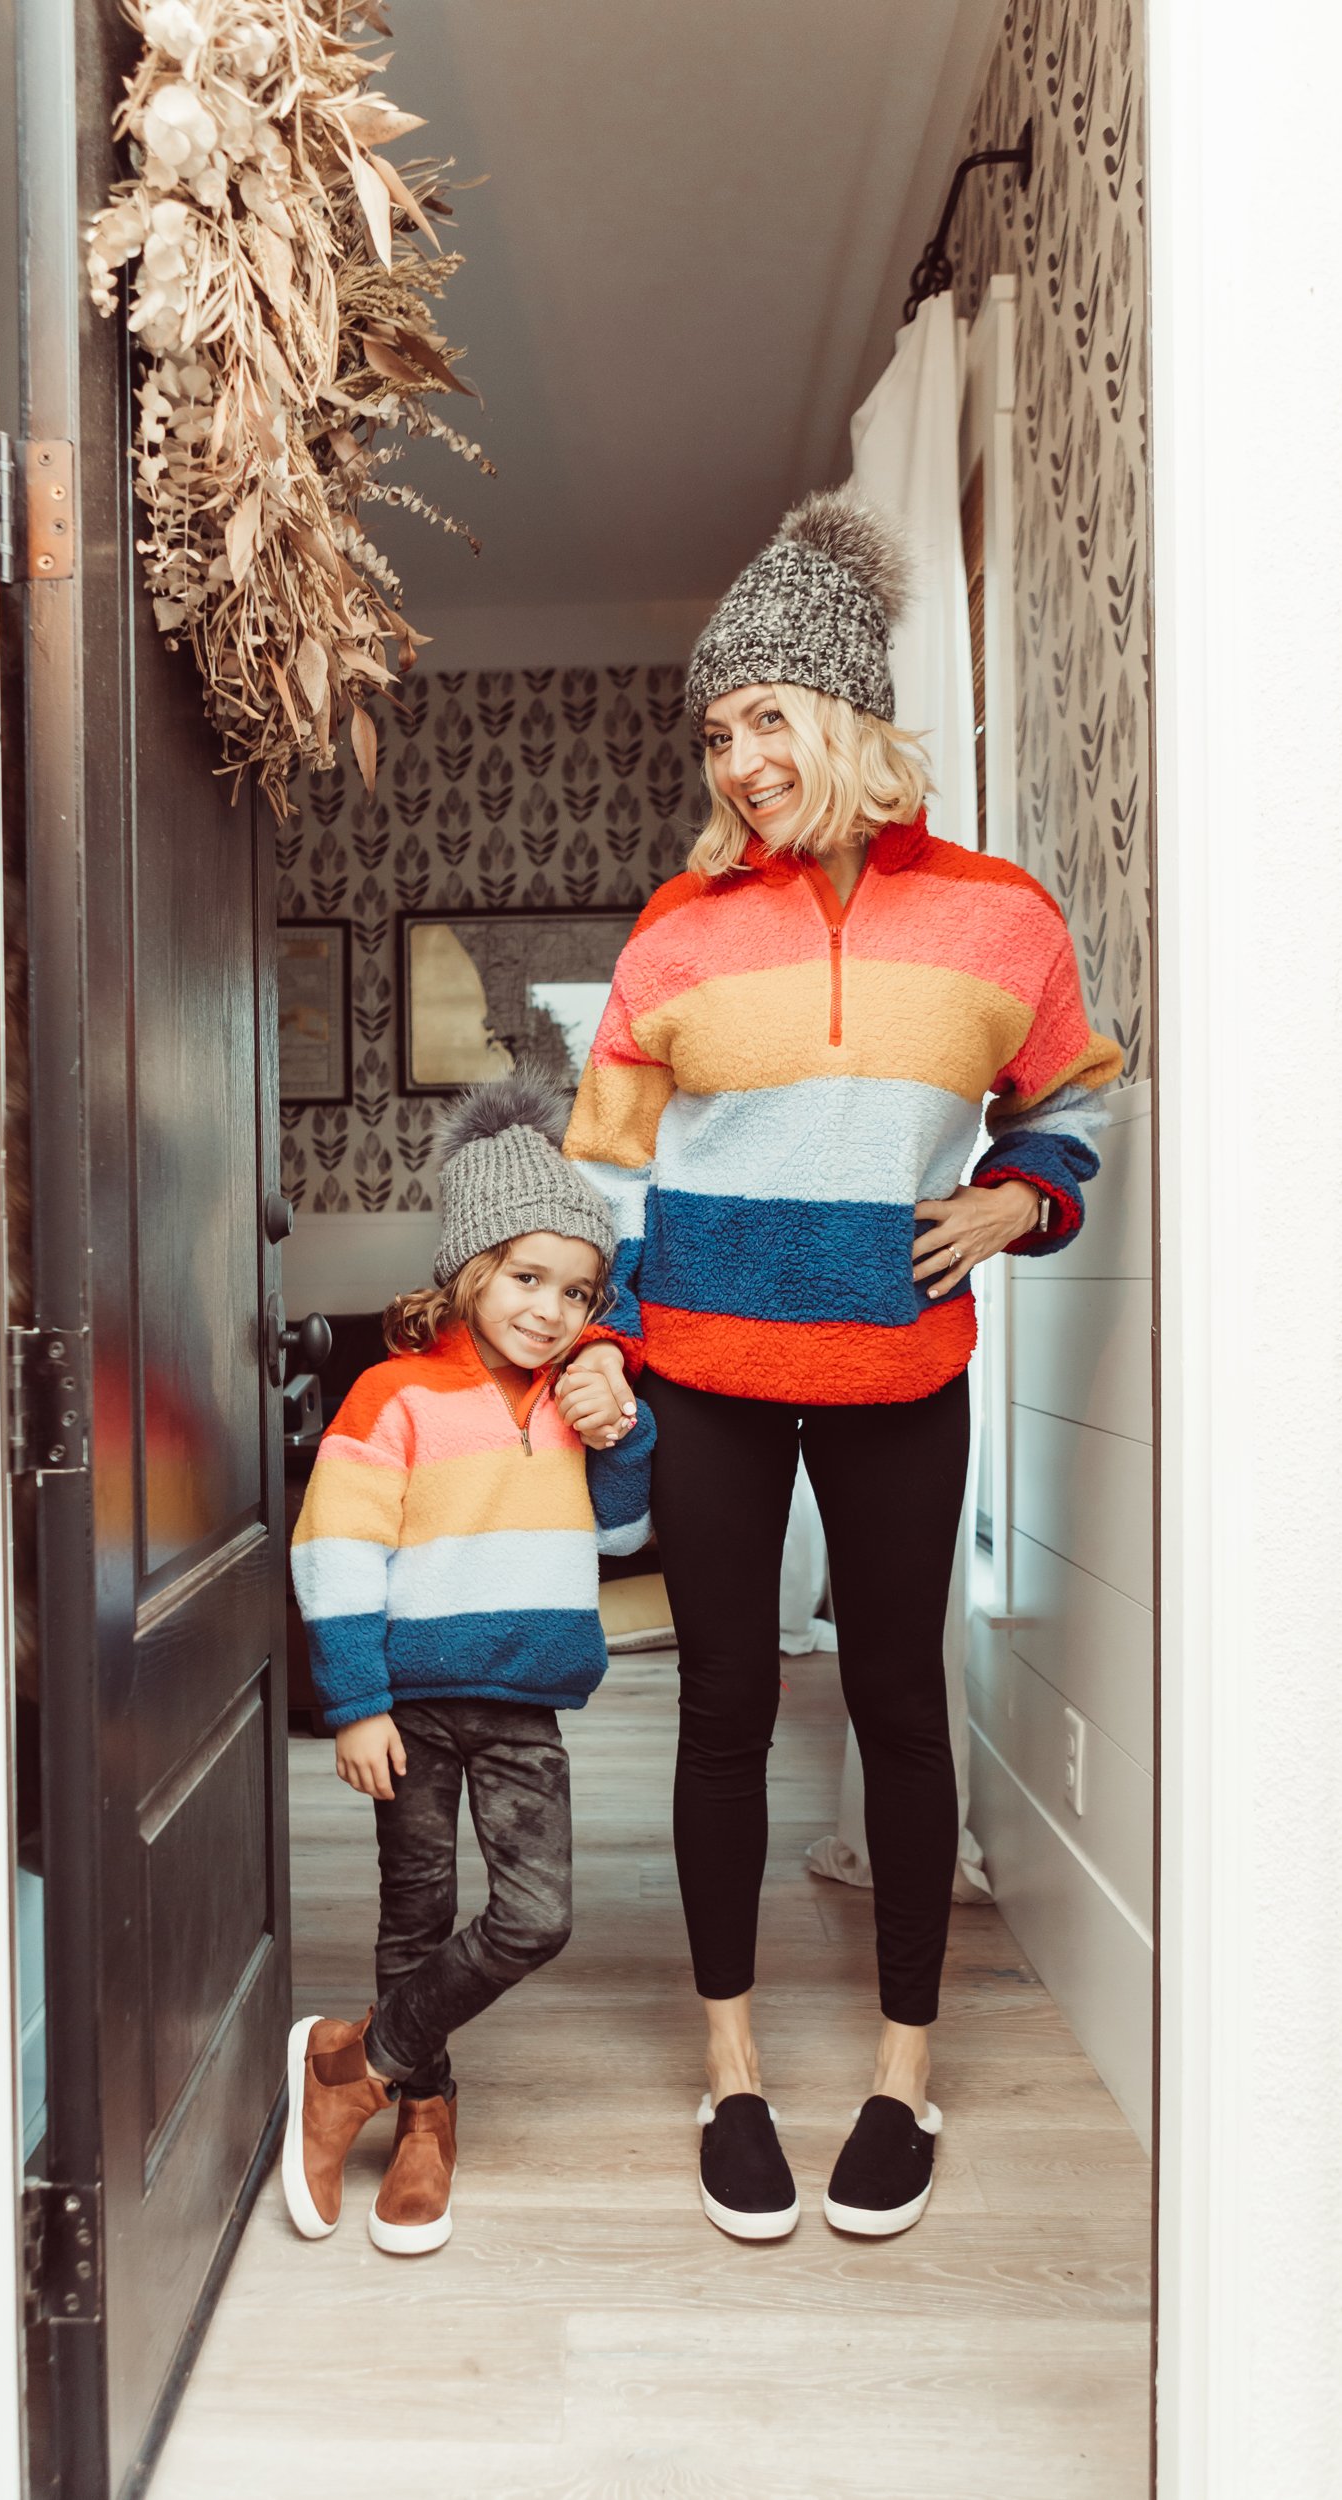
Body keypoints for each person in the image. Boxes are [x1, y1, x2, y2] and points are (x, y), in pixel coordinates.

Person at [554, 486, 1121, 2242]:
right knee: (723, 1708)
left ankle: (902, 2077)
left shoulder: (1001, 922)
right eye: (717, 731)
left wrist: (1017, 1203)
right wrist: (590, 1337)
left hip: (898, 1373)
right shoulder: (676, 929)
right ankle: (730, 2071)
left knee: (893, 1704)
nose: (734, 760)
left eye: (765, 722)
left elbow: (1072, 1100)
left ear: (846, 719)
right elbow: (599, 1181)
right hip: (708, 1375)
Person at [283, 1069, 653, 2256]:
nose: (550, 1309)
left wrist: (624, 1423)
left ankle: (354, 2062)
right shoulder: (392, 1393)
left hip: (520, 1703)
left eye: (577, 1290)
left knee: (534, 1916)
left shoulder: (574, 1394)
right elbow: (334, 1547)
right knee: (416, 1912)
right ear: (470, 1264)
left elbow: (626, 1528)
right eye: (527, 1276)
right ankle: (425, 2110)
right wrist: (352, 1702)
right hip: (408, 1704)